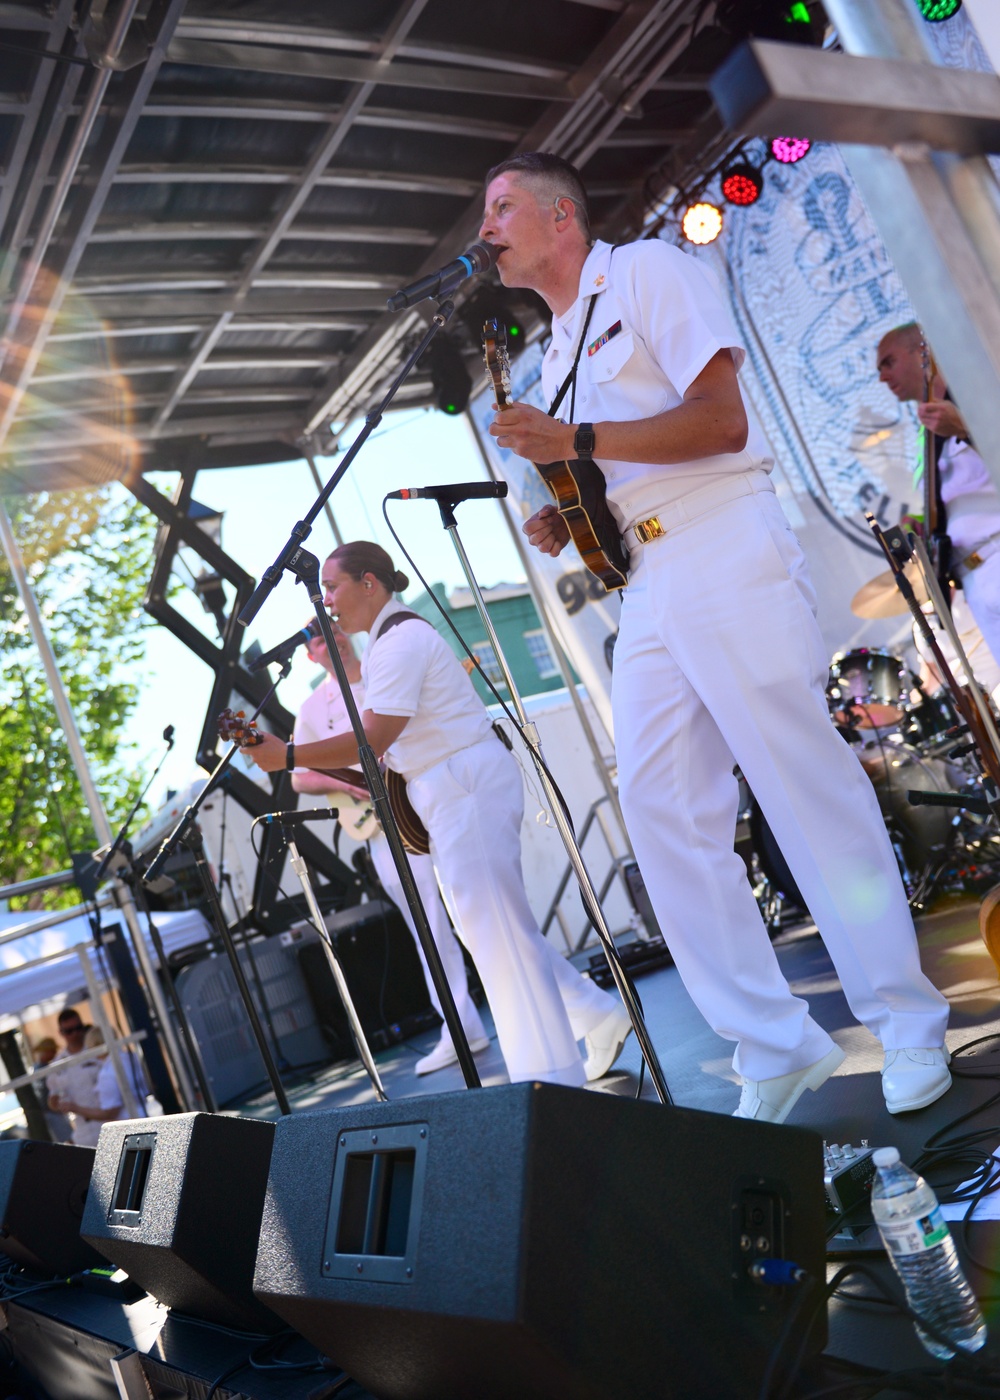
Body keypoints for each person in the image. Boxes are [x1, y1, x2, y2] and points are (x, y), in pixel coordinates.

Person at [478, 151, 951, 1122]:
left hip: (726, 541)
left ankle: (907, 1021)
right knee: (660, 814)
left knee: (800, 789)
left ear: (561, 214)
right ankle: (771, 1041)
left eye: (500, 206)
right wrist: (568, 511)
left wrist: (574, 447)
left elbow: (720, 421)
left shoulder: (649, 270)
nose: (484, 227)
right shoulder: (550, 349)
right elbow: (610, 462)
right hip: (646, 579)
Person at [246, 540, 631, 1088]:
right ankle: (594, 1017)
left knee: (495, 933)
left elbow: (373, 737)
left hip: (462, 785)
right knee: (493, 930)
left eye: (332, 587)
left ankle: (548, 1076)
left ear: (369, 583)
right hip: (450, 788)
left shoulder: (398, 642)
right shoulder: (389, 642)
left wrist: (285, 755)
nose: (326, 601)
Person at [291, 611, 491, 1075]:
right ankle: (461, 1027)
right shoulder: (312, 709)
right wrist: (354, 785)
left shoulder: (386, 665)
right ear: (308, 653)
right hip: (385, 825)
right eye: (319, 640)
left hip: (435, 793)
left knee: (476, 904)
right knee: (428, 927)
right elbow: (300, 778)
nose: (331, 641)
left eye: (334, 629)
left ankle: (524, 1000)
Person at [877, 322, 1000, 670]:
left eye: (888, 362)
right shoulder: (925, 433)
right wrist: (925, 525)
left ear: (923, 352)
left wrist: (964, 427)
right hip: (972, 579)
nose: (883, 377)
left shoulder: (977, 391)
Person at [51, 1027, 150, 1127]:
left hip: (129, 1124)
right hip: (145, 1114)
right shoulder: (130, 1057)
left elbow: (110, 1112)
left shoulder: (107, 1073)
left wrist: (75, 1108)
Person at [46, 1008, 103, 1145]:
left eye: (79, 1028)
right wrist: (55, 1102)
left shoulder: (96, 1052)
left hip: (108, 1119)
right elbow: (53, 1098)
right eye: (69, 1031)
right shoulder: (58, 1064)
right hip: (82, 1128)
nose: (76, 1033)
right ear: (61, 1033)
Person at [31, 1037, 73, 1143]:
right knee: (67, 1139)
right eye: (52, 1051)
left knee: (68, 1138)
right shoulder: (41, 1068)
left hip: (52, 1110)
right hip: (50, 1111)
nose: (54, 1054)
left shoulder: (38, 1068)